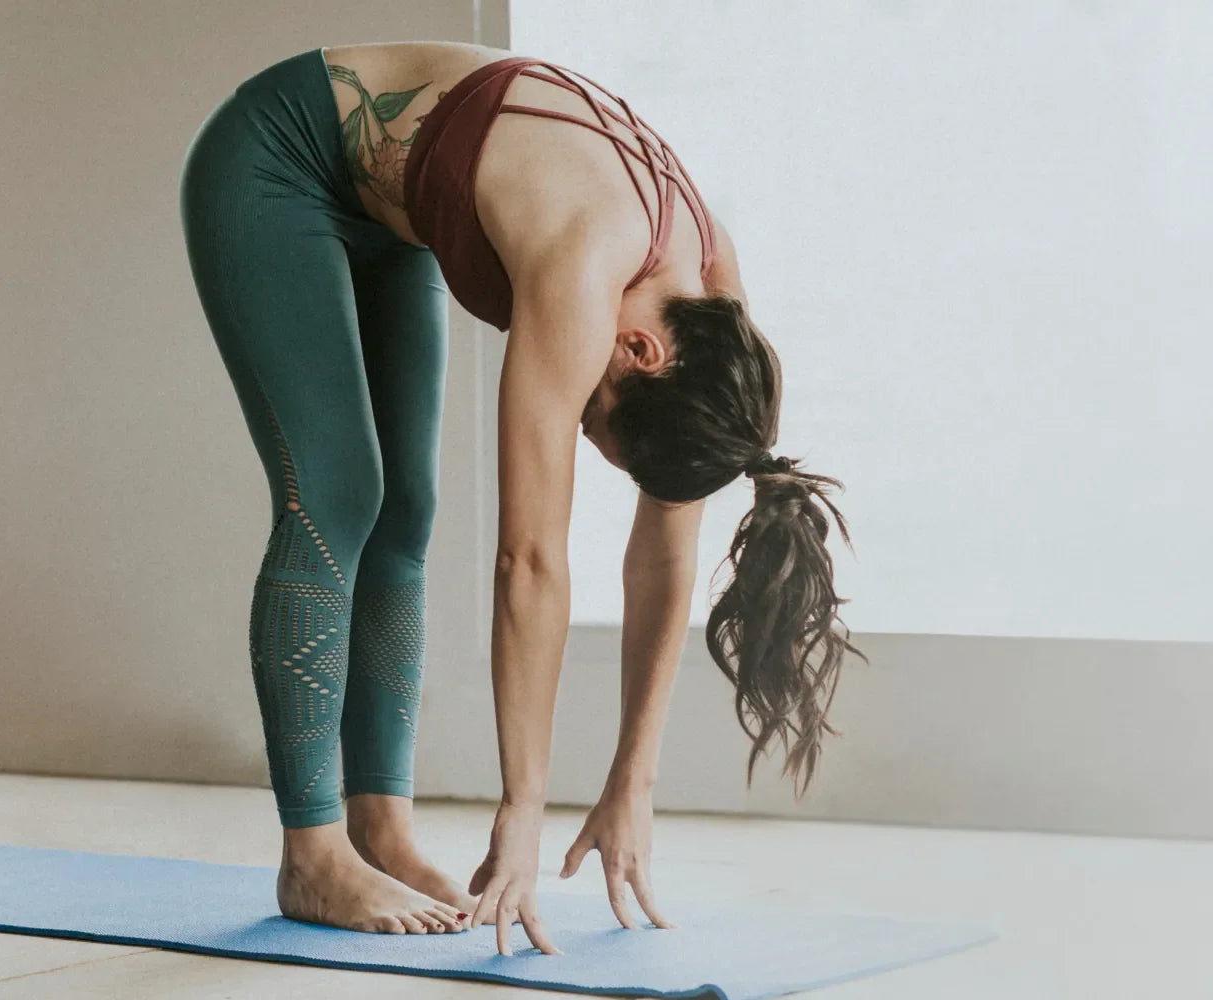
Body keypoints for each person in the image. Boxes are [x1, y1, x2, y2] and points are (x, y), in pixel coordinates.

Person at [178, 40, 863, 953]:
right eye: (600, 428)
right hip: (279, 158)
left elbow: (664, 547)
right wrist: (523, 809)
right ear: (636, 355)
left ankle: (380, 831)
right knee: (338, 496)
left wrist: (633, 784)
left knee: (406, 513)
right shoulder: (588, 271)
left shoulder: (714, 327)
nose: (584, 431)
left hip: (389, 215)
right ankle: (313, 854)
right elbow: (529, 561)